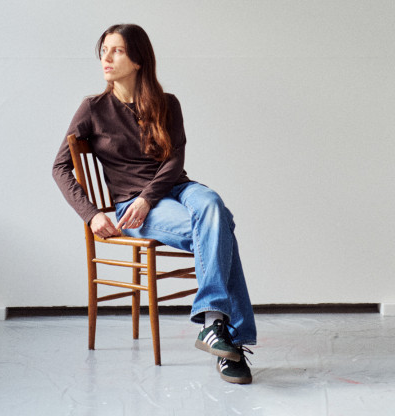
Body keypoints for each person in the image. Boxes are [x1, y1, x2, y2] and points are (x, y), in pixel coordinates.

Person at [52, 23, 256, 384]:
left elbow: (174, 160)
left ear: (138, 60)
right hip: (131, 206)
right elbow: (60, 167)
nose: (106, 58)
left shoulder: (167, 104)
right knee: (218, 227)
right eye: (104, 50)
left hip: (174, 190)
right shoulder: (93, 108)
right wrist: (91, 214)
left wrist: (150, 197)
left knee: (212, 204)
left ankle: (213, 325)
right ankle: (226, 337)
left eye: (117, 50)